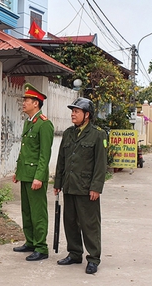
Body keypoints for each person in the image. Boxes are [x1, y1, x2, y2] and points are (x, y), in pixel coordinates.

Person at [53, 97, 107, 274]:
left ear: (87, 115)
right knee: (70, 222)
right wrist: (58, 182)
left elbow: (100, 163)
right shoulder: (68, 133)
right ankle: (74, 253)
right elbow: (61, 159)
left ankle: (93, 258)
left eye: (76, 111)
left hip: (86, 188)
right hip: (69, 185)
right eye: (72, 111)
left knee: (89, 224)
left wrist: (96, 187)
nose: (72, 114)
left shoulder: (97, 134)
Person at [12, 83, 54, 261]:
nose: (23, 103)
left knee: (38, 212)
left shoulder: (44, 125)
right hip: (25, 173)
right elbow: (25, 150)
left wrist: (39, 177)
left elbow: (45, 154)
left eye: (27, 100)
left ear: (36, 103)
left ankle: (41, 247)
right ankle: (30, 241)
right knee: (27, 210)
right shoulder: (29, 123)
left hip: (36, 176)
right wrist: (17, 171)